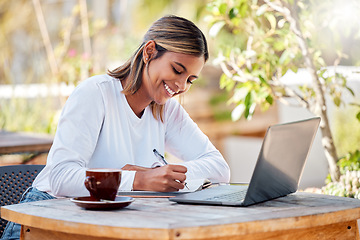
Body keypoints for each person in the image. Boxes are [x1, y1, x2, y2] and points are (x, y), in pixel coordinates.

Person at [1, 15, 230, 239]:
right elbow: (61, 177)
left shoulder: (166, 110)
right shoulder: (96, 93)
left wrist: (158, 175)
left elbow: (220, 168)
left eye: (190, 79)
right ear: (149, 51)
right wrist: (138, 180)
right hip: (44, 218)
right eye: (177, 70)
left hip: (101, 223)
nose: (181, 86)